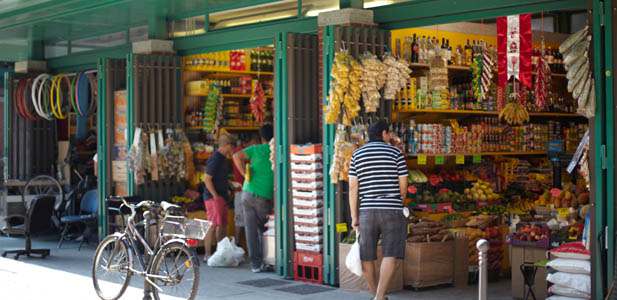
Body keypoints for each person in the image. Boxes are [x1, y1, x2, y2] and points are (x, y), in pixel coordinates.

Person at [348, 120, 408, 300]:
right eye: (388, 133)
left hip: (367, 211)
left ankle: (377, 295)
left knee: (366, 255)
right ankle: (380, 296)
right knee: (391, 253)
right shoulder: (396, 153)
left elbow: (353, 188)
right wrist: (398, 202)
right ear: (383, 133)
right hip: (392, 210)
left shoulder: (356, 155)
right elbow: (403, 186)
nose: (389, 136)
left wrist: (354, 216)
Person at [232, 124, 274, 273]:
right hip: (263, 196)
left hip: (247, 193)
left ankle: (256, 265)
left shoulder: (255, 149)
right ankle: (269, 260)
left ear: (261, 137)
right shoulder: (274, 150)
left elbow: (236, 156)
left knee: (251, 231)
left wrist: (244, 175)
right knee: (266, 230)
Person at [203, 134, 236, 260]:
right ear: (226, 145)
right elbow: (207, 179)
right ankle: (207, 254)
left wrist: (229, 186)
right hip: (213, 197)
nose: (232, 149)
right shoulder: (216, 158)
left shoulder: (223, 159)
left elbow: (219, 178)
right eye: (231, 146)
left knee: (222, 224)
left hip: (220, 196)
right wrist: (215, 196)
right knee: (212, 225)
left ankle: (219, 252)